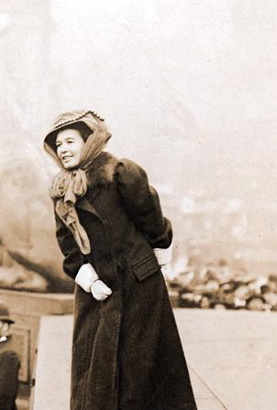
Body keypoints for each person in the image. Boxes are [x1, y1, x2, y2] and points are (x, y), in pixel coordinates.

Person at [43, 110, 195, 409]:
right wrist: (90, 281)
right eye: (58, 145)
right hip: (98, 290)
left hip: (138, 283)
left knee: (141, 367)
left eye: (70, 141)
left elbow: (151, 218)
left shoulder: (120, 173)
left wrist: (157, 260)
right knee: (95, 367)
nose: (63, 150)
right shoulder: (62, 190)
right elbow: (68, 246)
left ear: (89, 141)